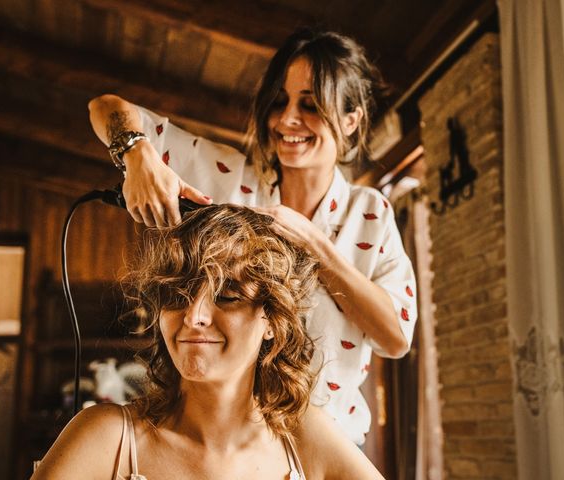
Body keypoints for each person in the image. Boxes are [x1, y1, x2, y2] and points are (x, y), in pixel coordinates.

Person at [88, 28, 417, 445]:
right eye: (279, 102)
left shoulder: (370, 213)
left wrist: (315, 247)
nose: (286, 120)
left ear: (351, 119)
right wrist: (135, 153)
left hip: (330, 445)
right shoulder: (229, 179)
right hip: (223, 445)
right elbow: (105, 107)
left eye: (310, 105)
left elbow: (396, 338)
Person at [31, 204, 384, 479]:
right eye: (177, 294)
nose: (193, 316)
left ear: (272, 321)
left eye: (228, 296)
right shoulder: (106, 438)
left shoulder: (306, 437)